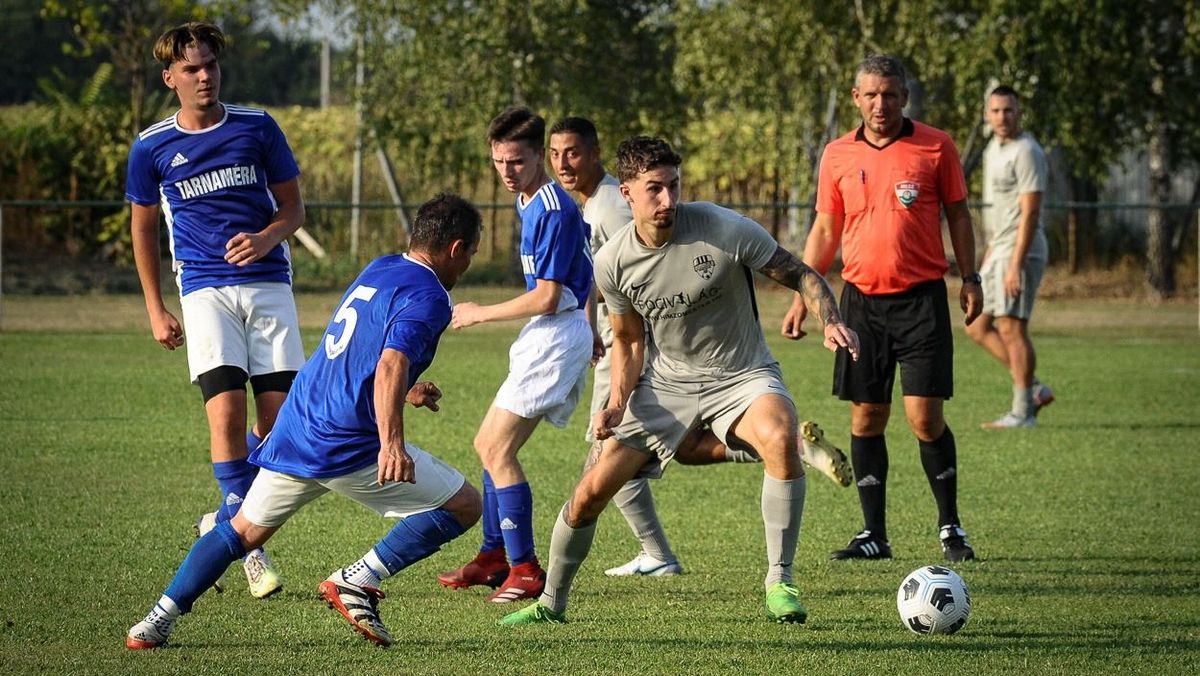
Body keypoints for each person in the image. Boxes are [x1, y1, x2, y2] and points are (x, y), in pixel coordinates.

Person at [499, 136, 860, 626]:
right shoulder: (612, 263)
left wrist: (831, 318)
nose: (668, 199)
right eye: (654, 189)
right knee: (588, 496)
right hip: (667, 386)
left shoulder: (721, 227)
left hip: (742, 374)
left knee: (779, 436)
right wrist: (616, 401)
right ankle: (550, 604)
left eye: (673, 186)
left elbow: (799, 273)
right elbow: (627, 342)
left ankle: (780, 581)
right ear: (627, 194)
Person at [125, 193, 485, 650]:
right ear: (455, 249)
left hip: (299, 423)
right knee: (466, 505)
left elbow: (362, 349)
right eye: (471, 254)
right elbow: (391, 361)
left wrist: (407, 387)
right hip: (346, 442)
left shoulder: (381, 266)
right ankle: (357, 580)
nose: (468, 264)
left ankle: (155, 622)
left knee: (240, 532)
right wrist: (391, 443)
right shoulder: (432, 295)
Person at [126, 21, 306, 599]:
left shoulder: (256, 126)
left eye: (211, 66)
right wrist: (156, 308)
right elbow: (144, 229)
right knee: (226, 416)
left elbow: (294, 209)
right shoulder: (151, 146)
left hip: (269, 285)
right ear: (170, 78)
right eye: (192, 69)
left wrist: (266, 237)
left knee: (278, 430)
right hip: (203, 290)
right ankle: (249, 544)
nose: (204, 76)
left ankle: (224, 520)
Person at [780, 54, 982, 563]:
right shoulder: (837, 155)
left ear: (904, 97)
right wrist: (804, 296)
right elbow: (826, 228)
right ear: (856, 98)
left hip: (922, 300)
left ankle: (950, 528)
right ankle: (874, 535)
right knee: (867, 416)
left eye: (889, 94)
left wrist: (971, 275)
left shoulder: (936, 146)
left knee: (924, 419)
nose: (880, 104)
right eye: (870, 94)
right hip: (860, 305)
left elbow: (958, 214)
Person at [437, 108, 594, 603]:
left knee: (495, 449)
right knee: (489, 443)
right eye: (499, 161)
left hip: (553, 331)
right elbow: (584, 267)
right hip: (551, 332)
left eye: (518, 161)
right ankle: (494, 556)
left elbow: (548, 295)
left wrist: (479, 312)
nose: (507, 171)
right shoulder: (530, 201)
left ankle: (524, 568)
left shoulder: (550, 209)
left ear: (538, 157)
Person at [964, 85, 1054, 429]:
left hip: (1022, 249)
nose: (1002, 116)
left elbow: (1030, 213)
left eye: (1009, 110)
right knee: (977, 325)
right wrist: (988, 256)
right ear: (988, 115)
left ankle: (1023, 413)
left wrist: (1015, 264)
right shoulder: (993, 149)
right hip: (999, 249)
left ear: (1019, 113)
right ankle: (1033, 387)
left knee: (1013, 329)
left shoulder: (1027, 151)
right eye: (996, 111)